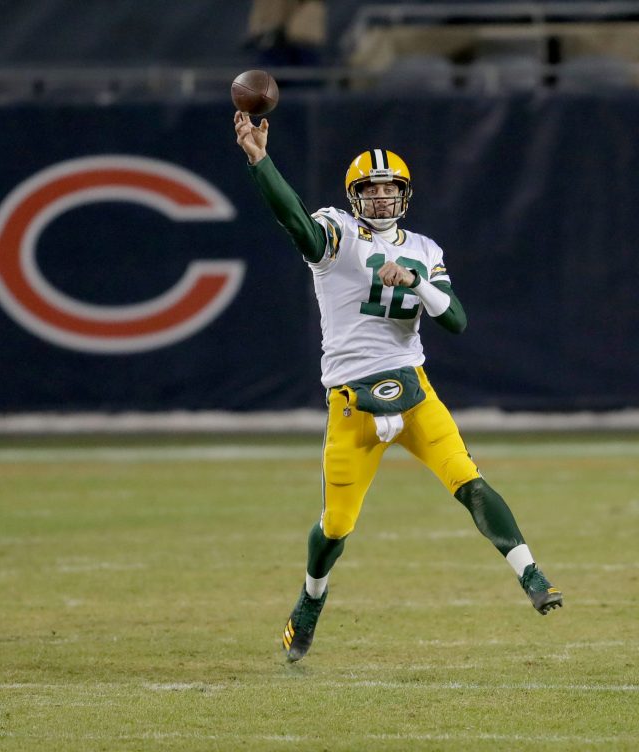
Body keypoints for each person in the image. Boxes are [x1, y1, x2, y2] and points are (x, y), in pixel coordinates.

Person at [233, 111, 563, 662]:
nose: (382, 198)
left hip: (414, 387)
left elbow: (456, 319)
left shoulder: (426, 250)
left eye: (390, 189)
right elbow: (292, 218)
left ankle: (531, 574)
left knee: (469, 480)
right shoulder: (336, 234)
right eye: (371, 190)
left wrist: (415, 281)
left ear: (404, 194)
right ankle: (311, 598)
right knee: (336, 526)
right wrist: (259, 159)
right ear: (354, 196)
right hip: (351, 401)